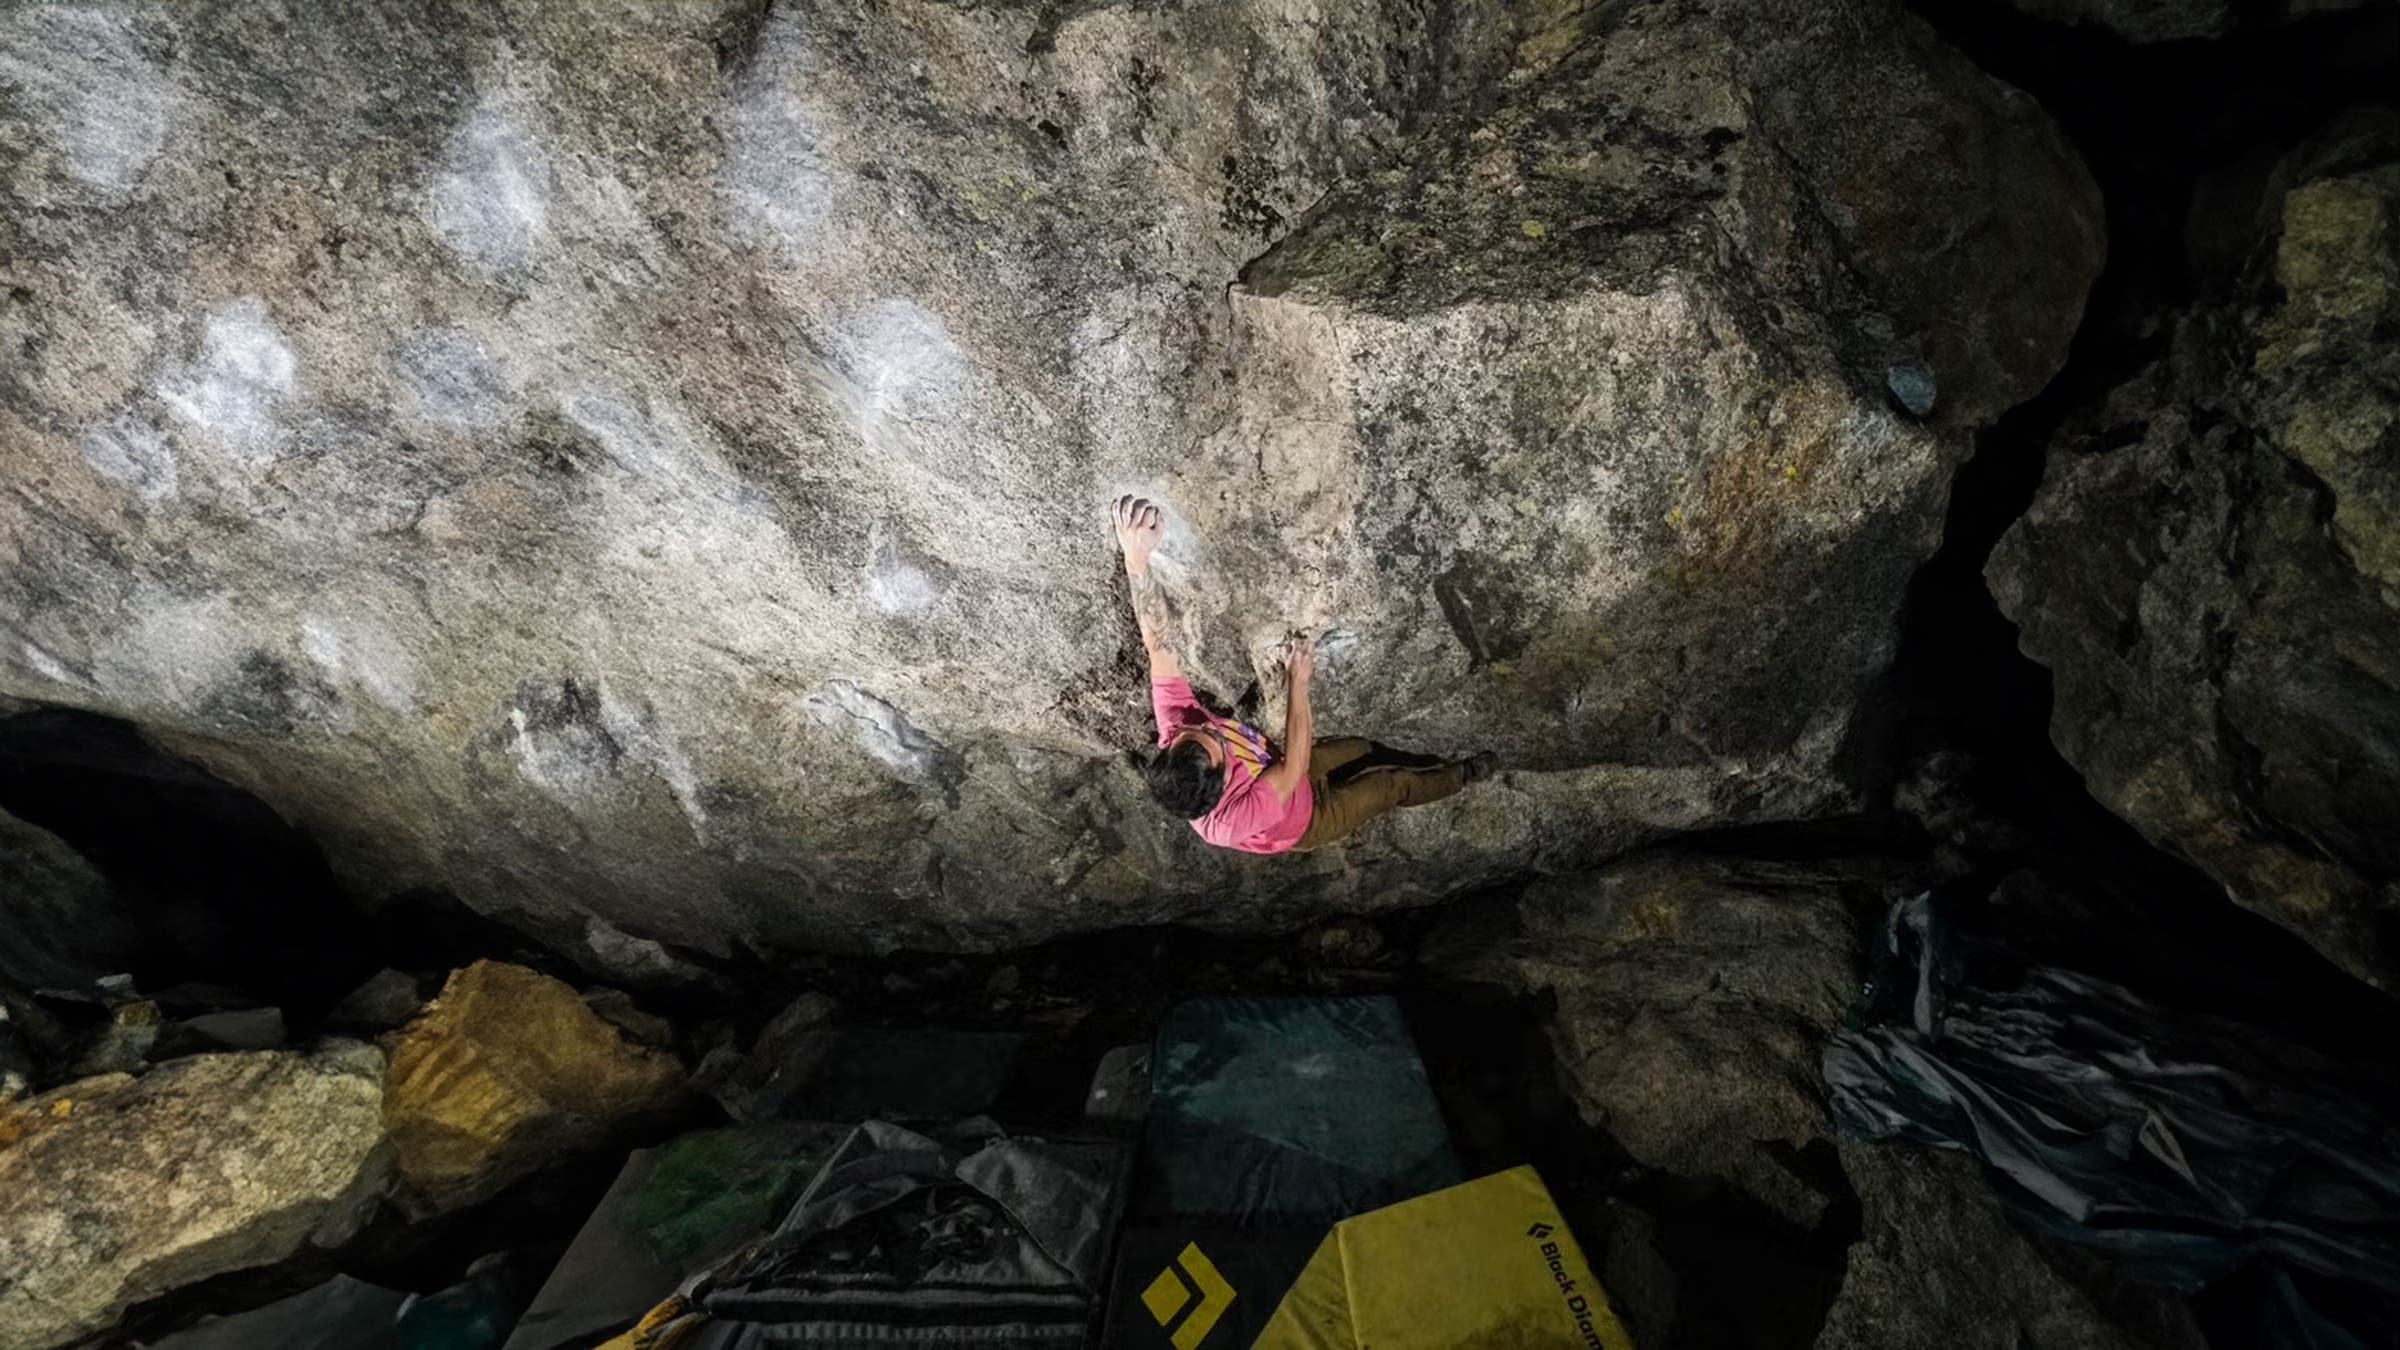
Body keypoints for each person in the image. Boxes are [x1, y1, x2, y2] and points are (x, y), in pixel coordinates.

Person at [1111, 495, 1493, 854]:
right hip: (1309, 820)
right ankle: (1462, 775)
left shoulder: (1178, 726)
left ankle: (1417, 758)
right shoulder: (1230, 822)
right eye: (1218, 744)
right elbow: (1292, 768)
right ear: (1224, 779)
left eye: (1201, 731)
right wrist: (1298, 680)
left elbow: (1159, 646)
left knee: (1363, 748)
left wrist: (1137, 560)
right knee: (1392, 784)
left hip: (1290, 765)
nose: (1212, 728)